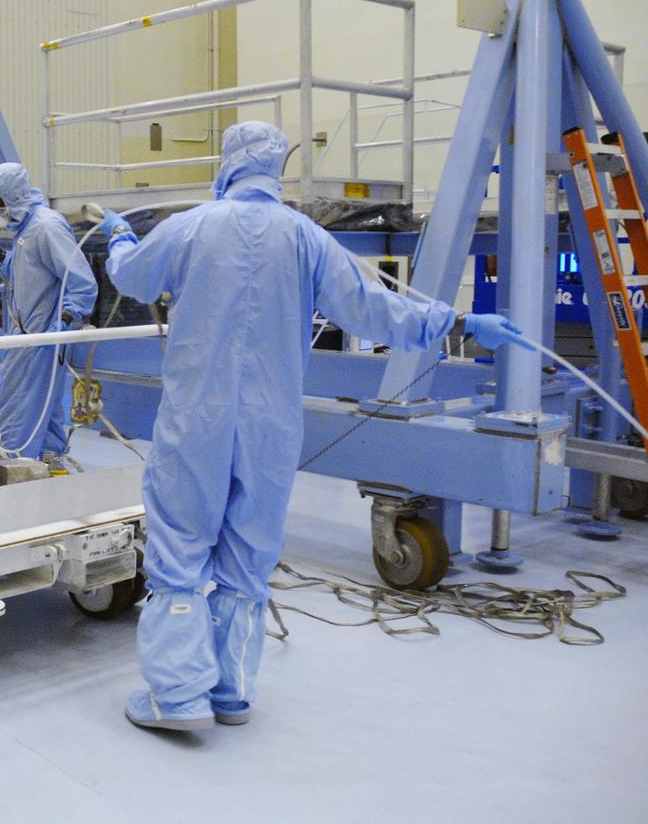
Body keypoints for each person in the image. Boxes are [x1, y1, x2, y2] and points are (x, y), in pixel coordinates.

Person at [99, 121, 530, 731]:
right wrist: (457, 323)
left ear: (228, 161)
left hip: (198, 417)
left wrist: (119, 242)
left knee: (182, 542)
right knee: (248, 552)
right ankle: (232, 690)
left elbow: (133, 278)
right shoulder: (305, 237)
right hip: (273, 422)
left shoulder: (192, 225)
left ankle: (177, 695)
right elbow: (374, 306)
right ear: (277, 170)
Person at [0, 163, 97, 460]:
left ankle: (9, 464)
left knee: (18, 404)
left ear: (12, 196)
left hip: (40, 338)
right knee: (45, 403)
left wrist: (65, 320)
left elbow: (81, 282)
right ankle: (51, 457)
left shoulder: (46, 227)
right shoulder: (26, 228)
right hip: (29, 334)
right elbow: (28, 273)